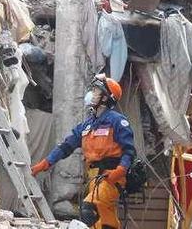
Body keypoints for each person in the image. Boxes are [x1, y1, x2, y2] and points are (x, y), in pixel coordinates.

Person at [31, 74, 134, 229]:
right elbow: (66, 146)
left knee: (89, 208)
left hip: (111, 176)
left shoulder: (117, 121)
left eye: (96, 90)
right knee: (105, 222)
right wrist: (46, 163)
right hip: (93, 177)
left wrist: (121, 170)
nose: (91, 93)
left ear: (105, 98)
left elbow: (129, 151)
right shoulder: (87, 125)